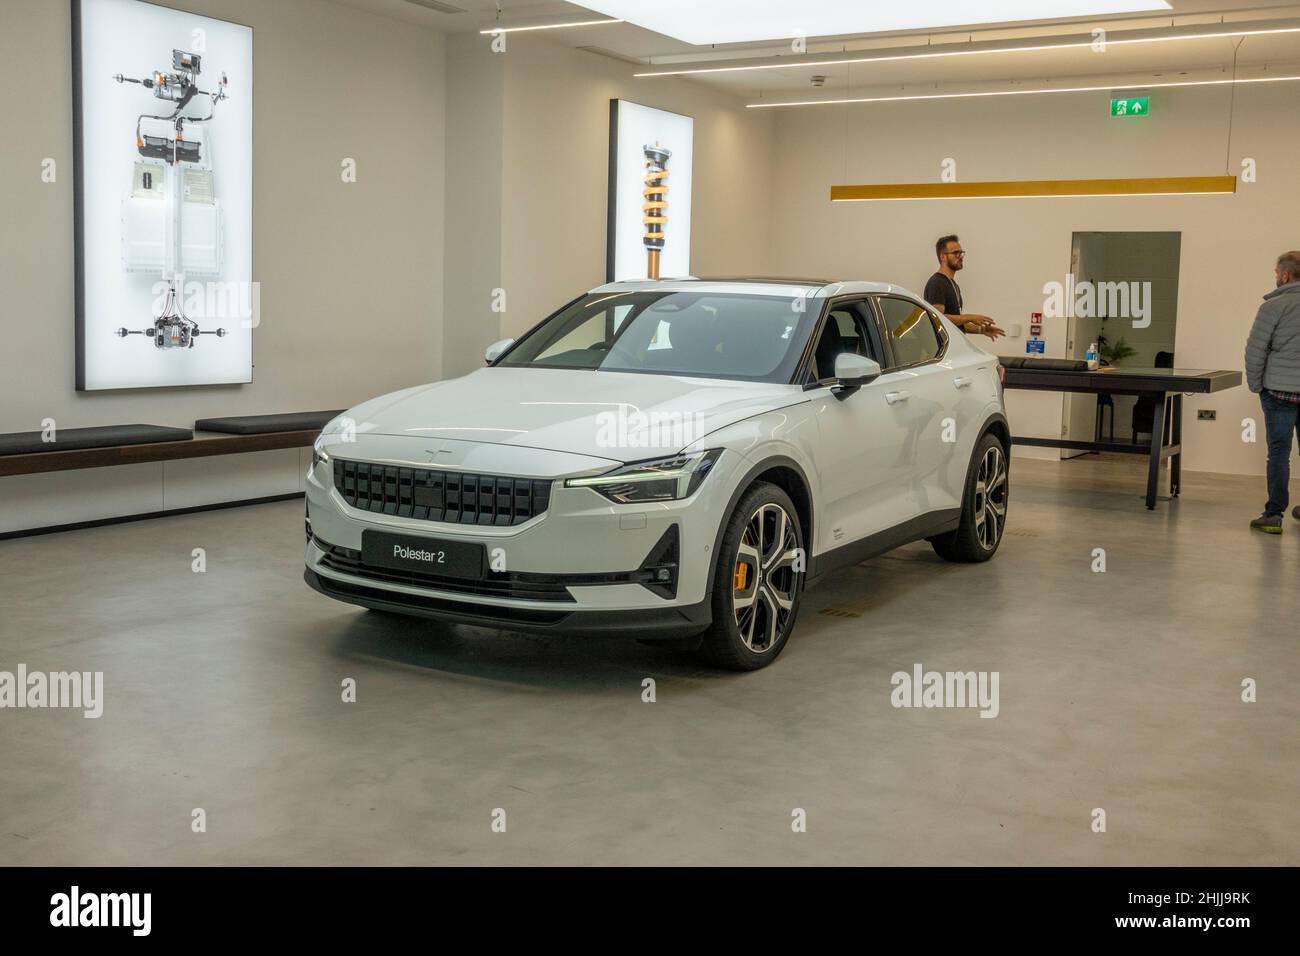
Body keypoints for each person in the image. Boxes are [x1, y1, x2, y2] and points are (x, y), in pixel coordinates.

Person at [1245, 251, 1300, 534]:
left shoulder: (1273, 306)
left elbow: (1255, 350)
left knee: (1279, 451)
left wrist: (1256, 385)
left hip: (1279, 391)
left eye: (1276, 272)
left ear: (1285, 275)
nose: (1276, 277)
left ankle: (1274, 514)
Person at [924, 235, 1005, 340]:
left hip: (955, 345)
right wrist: (970, 317)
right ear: (943, 257)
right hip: (942, 349)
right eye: (955, 253)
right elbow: (938, 318)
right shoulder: (937, 282)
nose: (960, 256)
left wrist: (981, 329)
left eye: (961, 253)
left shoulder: (953, 285)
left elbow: (956, 322)